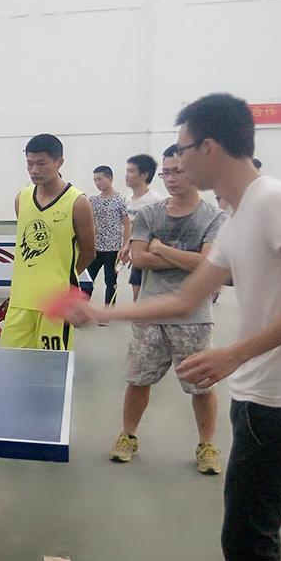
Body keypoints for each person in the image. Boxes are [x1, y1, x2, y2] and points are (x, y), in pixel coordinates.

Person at [64, 93, 281, 561]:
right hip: (258, 397)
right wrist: (104, 313)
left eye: (184, 149)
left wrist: (235, 353)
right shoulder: (238, 218)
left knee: (248, 540)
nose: (178, 162)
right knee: (248, 531)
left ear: (209, 147)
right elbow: (188, 297)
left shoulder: (274, 201)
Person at [106, 149, 227, 473]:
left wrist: (159, 247)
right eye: (167, 172)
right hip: (150, 313)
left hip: (194, 317)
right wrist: (185, 258)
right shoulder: (149, 214)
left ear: (194, 172)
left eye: (179, 172)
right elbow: (139, 258)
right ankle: (128, 436)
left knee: (201, 385)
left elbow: (208, 263)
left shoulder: (215, 218)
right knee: (138, 380)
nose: (171, 179)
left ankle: (207, 445)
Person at [0, 134, 95, 351]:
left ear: (59, 162)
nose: (34, 170)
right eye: (29, 163)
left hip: (56, 304)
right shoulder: (22, 198)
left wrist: (61, 279)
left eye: (41, 163)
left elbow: (89, 252)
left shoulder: (78, 202)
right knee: (10, 362)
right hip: (21, 300)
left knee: (50, 366)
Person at [85, 166, 129, 313]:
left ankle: (108, 312)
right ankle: (81, 311)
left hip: (113, 250)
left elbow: (127, 224)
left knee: (110, 282)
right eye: (95, 180)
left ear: (110, 178)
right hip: (95, 249)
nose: (97, 183)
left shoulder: (120, 200)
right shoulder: (92, 201)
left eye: (100, 179)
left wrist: (125, 246)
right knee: (87, 281)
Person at [121, 154, 164, 300]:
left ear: (144, 175)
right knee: (137, 296)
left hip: (150, 255)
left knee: (150, 298)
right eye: (127, 171)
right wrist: (127, 248)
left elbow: (157, 232)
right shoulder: (127, 200)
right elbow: (129, 229)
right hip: (136, 254)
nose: (127, 175)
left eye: (131, 171)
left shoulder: (155, 201)